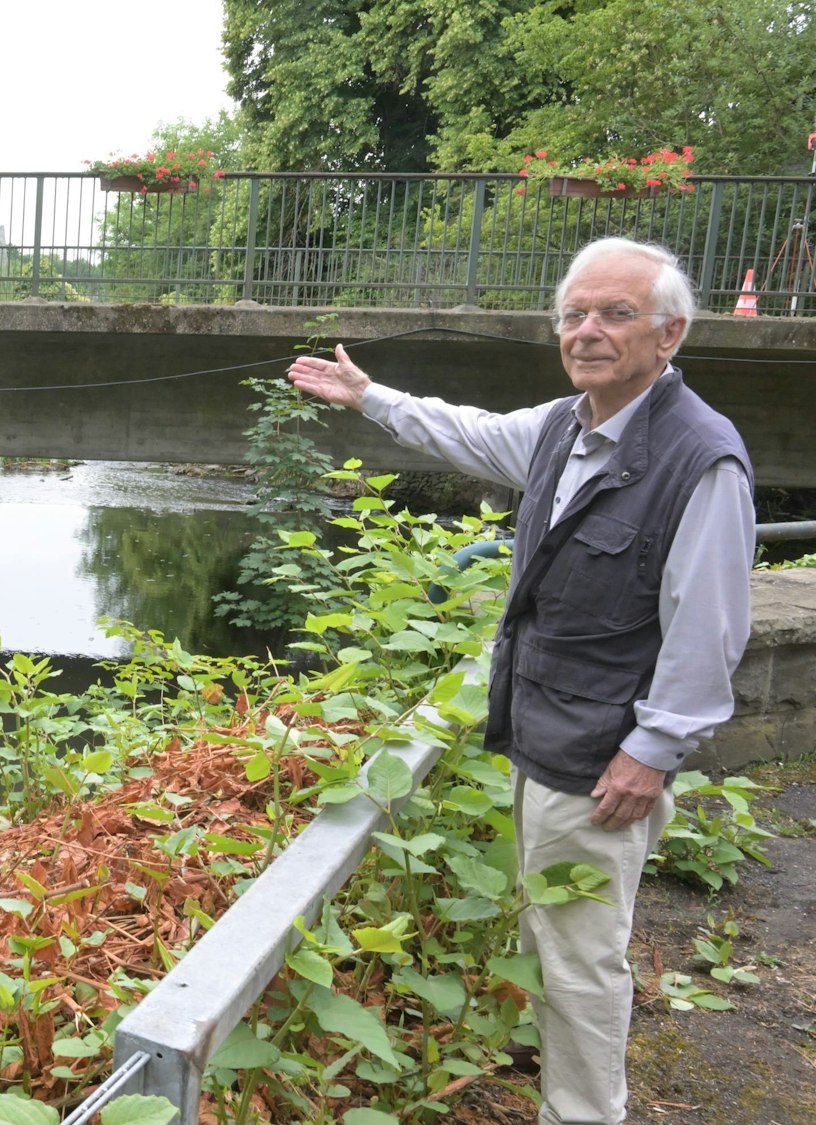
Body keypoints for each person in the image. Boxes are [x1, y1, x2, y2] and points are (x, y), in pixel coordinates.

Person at [286, 236, 754, 1125]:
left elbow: (708, 629)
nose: (588, 331)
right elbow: (467, 430)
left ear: (669, 335)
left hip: (602, 757)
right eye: (574, 314)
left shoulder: (701, 459)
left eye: (616, 313)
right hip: (545, 731)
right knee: (553, 927)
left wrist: (650, 751)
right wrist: (371, 397)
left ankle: (582, 1113)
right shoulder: (564, 426)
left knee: (582, 954)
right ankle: (559, 1080)